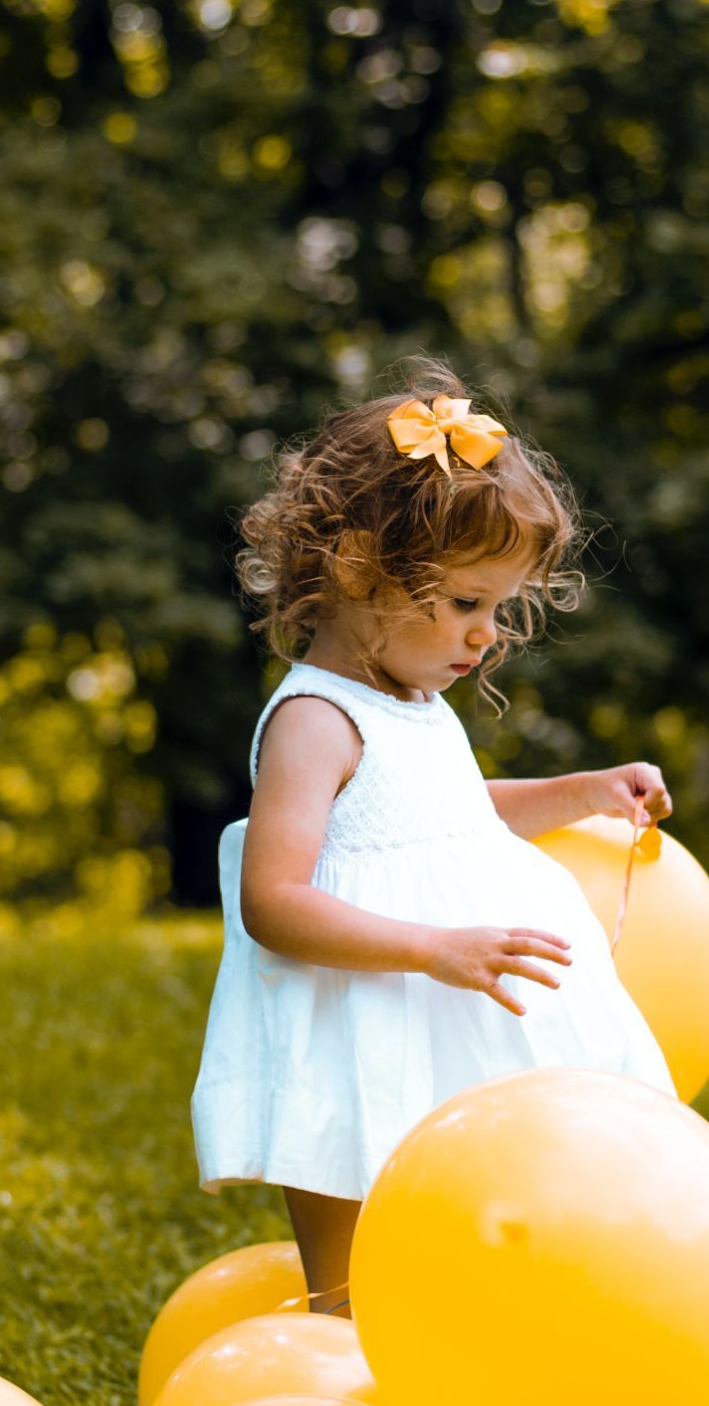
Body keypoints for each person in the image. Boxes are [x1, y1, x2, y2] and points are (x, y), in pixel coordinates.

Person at [192, 357, 676, 1316]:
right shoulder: (316, 719)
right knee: (355, 1280)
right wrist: (432, 948)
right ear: (360, 570)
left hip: (447, 1017)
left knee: (474, 1243)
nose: (488, 634)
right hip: (359, 1024)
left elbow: (449, 819)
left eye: (497, 608)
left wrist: (583, 790)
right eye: (465, 603)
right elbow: (274, 900)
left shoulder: (410, 700)